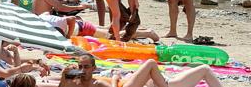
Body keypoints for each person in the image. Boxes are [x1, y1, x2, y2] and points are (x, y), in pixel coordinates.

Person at [59, 54, 223, 87]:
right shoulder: (80, 83)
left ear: (94, 68)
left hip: (152, 83)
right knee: (151, 63)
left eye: (86, 67)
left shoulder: (96, 82)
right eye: (80, 67)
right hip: (133, 84)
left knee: (205, 69)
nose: (82, 70)